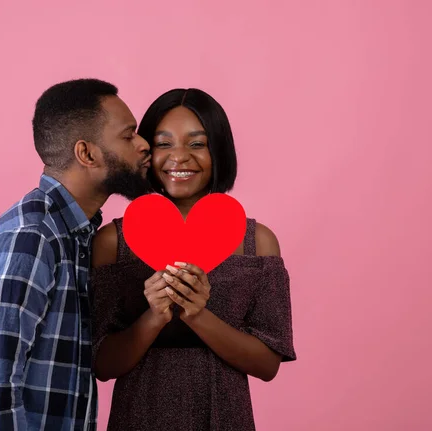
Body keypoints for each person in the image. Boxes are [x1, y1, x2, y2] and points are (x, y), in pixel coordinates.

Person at [0, 78, 152, 431]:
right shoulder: (33, 237)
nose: (144, 145)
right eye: (128, 135)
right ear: (87, 153)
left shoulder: (75, 236)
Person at [91, 88, 297, 430]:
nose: (179, 157)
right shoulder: (113, 242)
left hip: (224, 418)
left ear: (219, 150)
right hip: (138, 417)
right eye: (164, 143)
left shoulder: (258, 244)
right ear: (145, 151)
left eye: (197, 144)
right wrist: (154, 317)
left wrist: (198, 314)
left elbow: (267, 365)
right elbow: (102, 364)